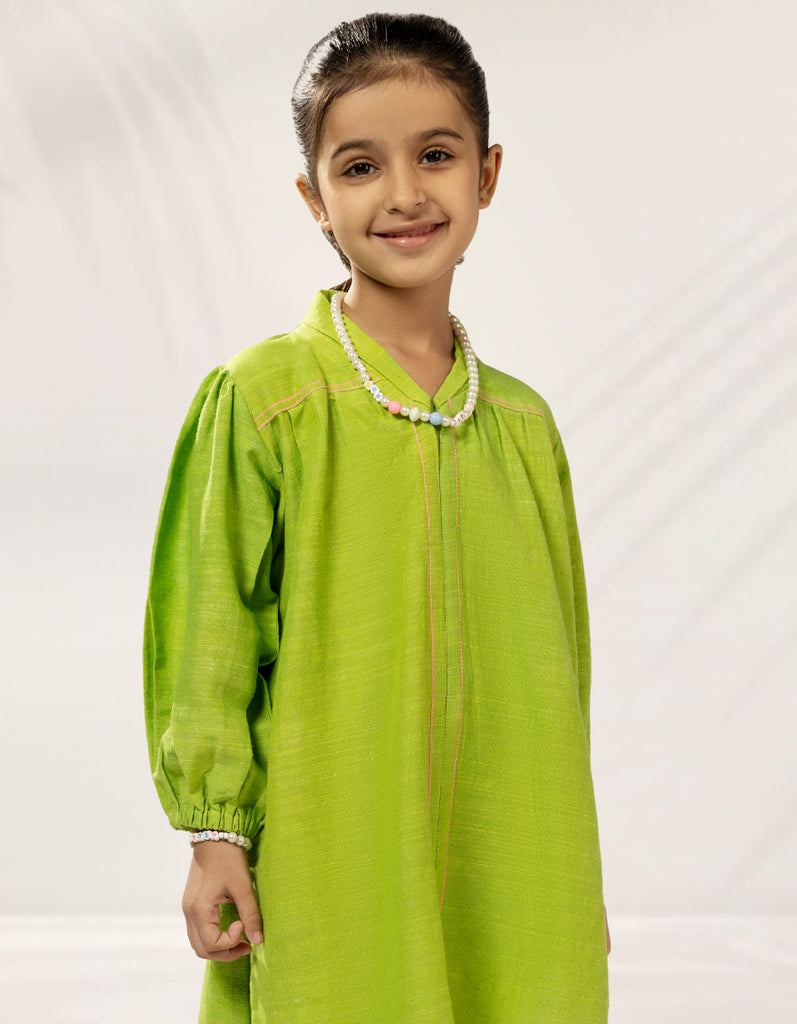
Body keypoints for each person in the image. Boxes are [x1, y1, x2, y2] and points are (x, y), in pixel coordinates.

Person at [144, 12, 611, 1023]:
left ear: (486, 173)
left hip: (515, 848)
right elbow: (210, 628)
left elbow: (561, 665)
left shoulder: (521, 425)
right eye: (359, 167)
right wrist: (214, 832)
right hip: (332, 838)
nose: (403, 193)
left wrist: (573, 869)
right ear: (314, 197)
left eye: (435, 155)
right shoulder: (267, 398)